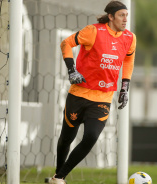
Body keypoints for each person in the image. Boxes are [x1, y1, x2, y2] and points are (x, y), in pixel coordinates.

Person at [49, 1, 136, 183]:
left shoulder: (130, 38)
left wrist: (124, 88)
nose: (125, 19)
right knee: (66, 139)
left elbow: (128, 61)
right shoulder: (94, 31)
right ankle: (58, 175)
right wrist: (72, 70)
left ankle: (59, 177)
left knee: (91, 137)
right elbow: (66, 43)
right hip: (78, 94)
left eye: (126, 15)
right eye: (121, 15)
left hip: (103, 99)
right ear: (111, 17)